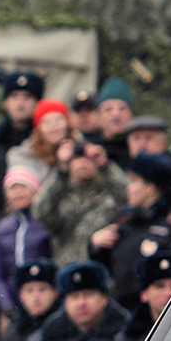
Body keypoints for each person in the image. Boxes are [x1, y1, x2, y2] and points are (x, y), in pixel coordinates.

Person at [27, 101, 125, 264]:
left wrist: (106, 166)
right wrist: (61, 172)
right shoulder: (62, 198)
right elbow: (40, 212)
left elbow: (129, 197)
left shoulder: (109, 196)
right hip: (67, 270)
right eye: (76, 158)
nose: (83, 162)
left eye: (88, 158)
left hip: (104, 271)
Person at [89, 153, 171, 305]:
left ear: (150, 188)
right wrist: (96, 247)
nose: (128, 188)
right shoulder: (127, 222)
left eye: (133, 182)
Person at [0, 159, 54, 316]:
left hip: (43, 299)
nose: (18, 193)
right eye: (13, 188)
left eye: (23, 187)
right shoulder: (2, 228)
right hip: (14, 303)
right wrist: (6, 305)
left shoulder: (47, 223)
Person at [5, 258, 60, 341]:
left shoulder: (64, 327)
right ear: (21, 295)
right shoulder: (14, 332)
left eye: (42, 289)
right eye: (29, 290)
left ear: (55, 293)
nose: (36, 296)